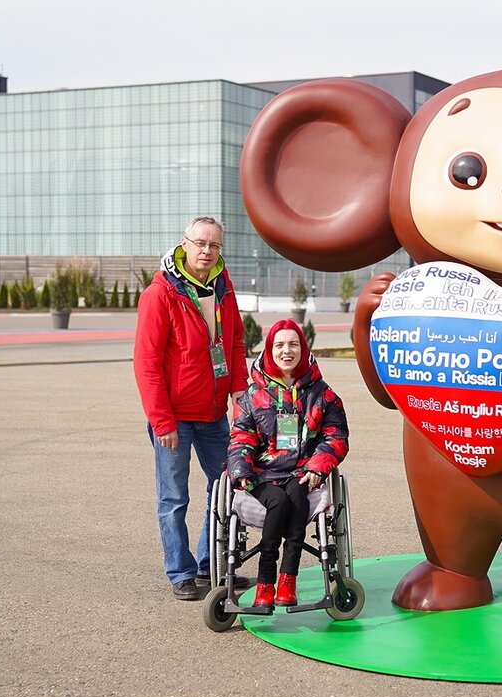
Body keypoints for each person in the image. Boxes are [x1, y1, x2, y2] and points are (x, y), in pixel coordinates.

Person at [134, 216, 248, 600]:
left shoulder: (223, 286)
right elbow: (146, 362)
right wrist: (161, 420)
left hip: (214, 413)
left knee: (227, 488)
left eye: (214, 245)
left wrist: (239, 391)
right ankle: (180, 572)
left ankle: (207, 566)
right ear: (184, 244)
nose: (206, 251)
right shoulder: (161, 293)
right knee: (174, 498)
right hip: (176, 419)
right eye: (200, 243)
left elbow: (233, 343)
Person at [227, 319, 350, 609]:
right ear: (270, 350)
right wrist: (241, 470)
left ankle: (287, 581)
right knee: (279, 502)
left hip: (303, 472)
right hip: (263, 474)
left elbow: (336, 436)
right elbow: (241, 438)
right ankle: (265, 582)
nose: (287, 350)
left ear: (303, 348)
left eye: (293, 344)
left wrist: (317, 468)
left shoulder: (323, 394)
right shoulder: (251, 396)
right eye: (280, 345)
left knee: (295, 496)